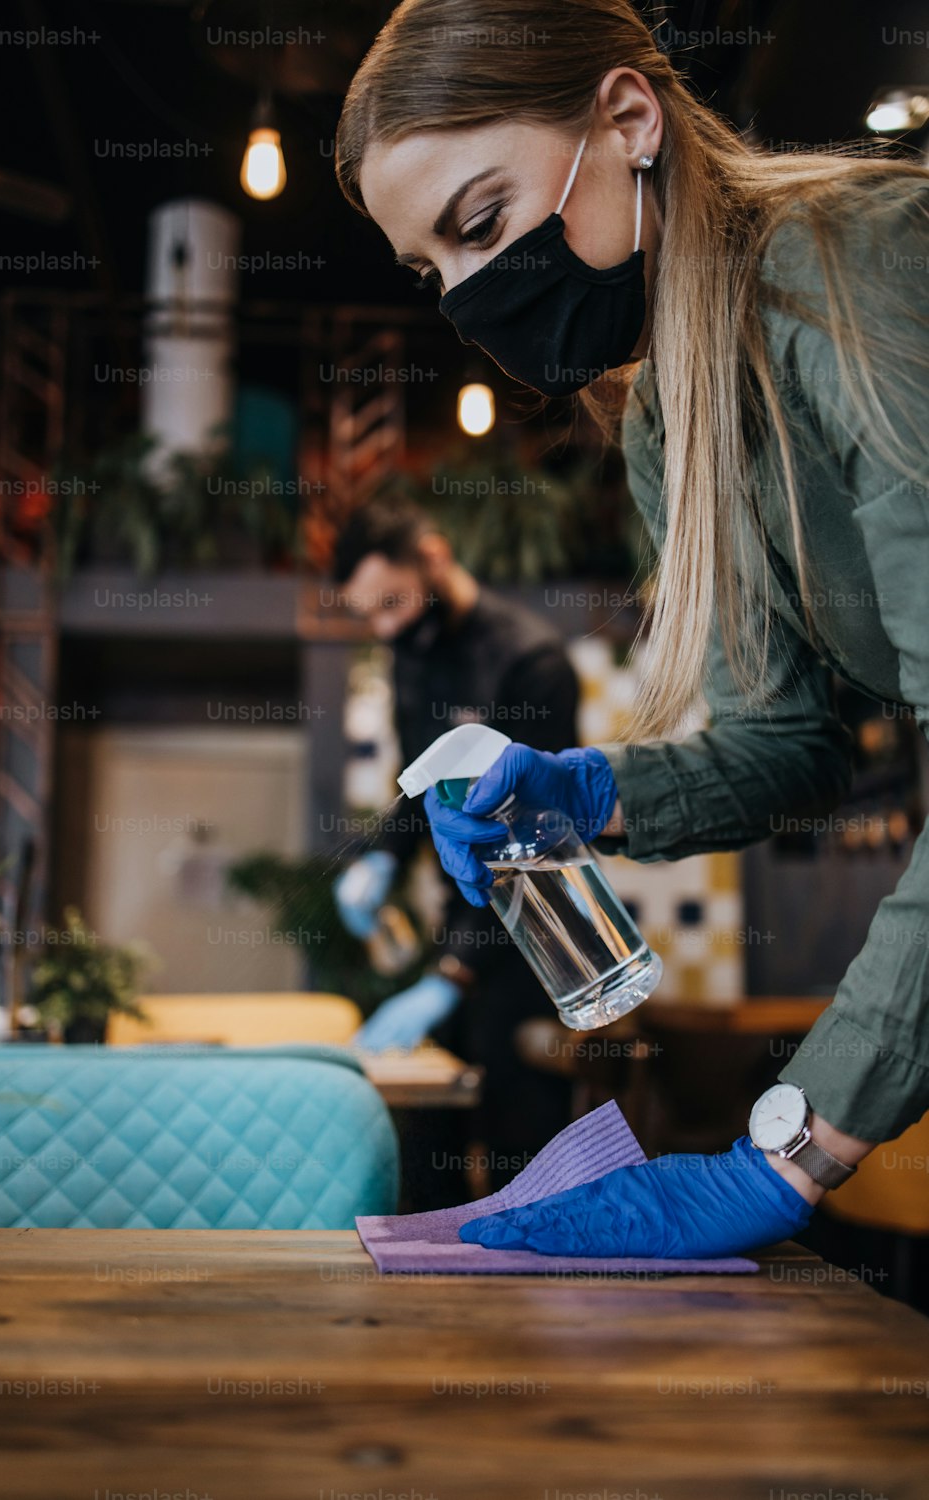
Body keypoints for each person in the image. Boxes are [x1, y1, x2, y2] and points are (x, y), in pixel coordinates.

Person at [333, 0, 929, 1257]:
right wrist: (583, 792)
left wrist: (795, 1145)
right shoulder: (670, 425)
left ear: (627, 120)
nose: (467, 297)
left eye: (482, 222)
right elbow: (791, 744)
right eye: (431, 269)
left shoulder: (858, 272)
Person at [331, 496, 579, 1197]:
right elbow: (420, 785)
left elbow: (528, 838)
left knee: (521, 1163)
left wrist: (451, 975)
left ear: (433, 558)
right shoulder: (413, 655)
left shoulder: (532, 664)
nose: (385, 626)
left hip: (534, 940)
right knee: (426, 1151)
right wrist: (381, 855)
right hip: (462, 920)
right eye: (370, 614)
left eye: (393, 602)